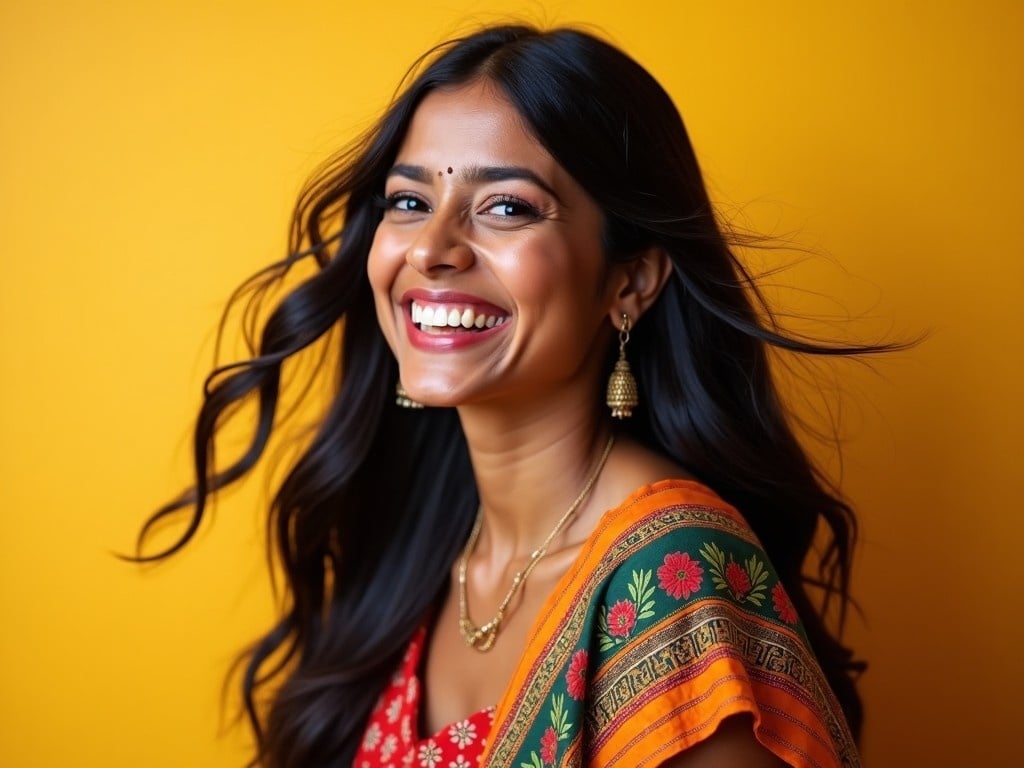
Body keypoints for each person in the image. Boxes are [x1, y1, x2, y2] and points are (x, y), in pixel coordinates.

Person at [141, 23, 884, 768]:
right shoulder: (427, 546)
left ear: (630, 280)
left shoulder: (675, 582)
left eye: (506, 207)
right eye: (408, 201)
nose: (431, 248)